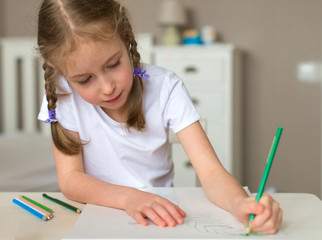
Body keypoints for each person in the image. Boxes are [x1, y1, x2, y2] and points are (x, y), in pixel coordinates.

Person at [37, 0, 282, 233]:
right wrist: (130, 197)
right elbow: (70, 179)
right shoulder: (63, 95)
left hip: (160, 221)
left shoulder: (166, 88)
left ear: (125, 38)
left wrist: (240, 204)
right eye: (85, 80)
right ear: (56, 68)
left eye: (113, 64)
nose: (107, 87)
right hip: (95, 216)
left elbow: (210, 173)